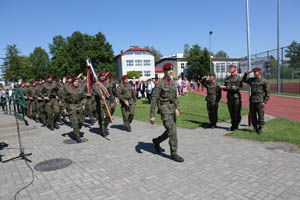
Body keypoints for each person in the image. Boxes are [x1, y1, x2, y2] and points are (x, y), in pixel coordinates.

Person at [150, 63, 184, 162]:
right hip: (164, 109)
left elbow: (175, 97)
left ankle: (157, 141)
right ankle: (174, 153)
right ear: (164, 71)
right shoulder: (160, 84)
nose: (170, 71)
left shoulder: (173, 83)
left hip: (172, 109)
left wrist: (177, 108)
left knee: (170, 131)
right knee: (172, 131)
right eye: (168, 70)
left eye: (171, 69)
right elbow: (154, 99)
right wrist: (152, 115)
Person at [242, 67, 270, 134]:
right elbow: (244, 80)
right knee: (253, 115)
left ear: (259, 72)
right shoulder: (252, 80)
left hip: (260, 101)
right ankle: (255, 128)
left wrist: (264, 102)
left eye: (255, 72)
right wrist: (246, 73)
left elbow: (267, 93)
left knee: (261, 116)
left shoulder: (264, 81)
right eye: (254, 72)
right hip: (252, 100)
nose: (254, 73)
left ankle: (260, 128)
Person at [63, 77, 87, 143]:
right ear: (72, 82)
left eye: (77, 81)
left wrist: (83, 104)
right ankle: (77, 135)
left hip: (79, 106)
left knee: (81, 121)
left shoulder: (81, 89)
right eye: (75, 81)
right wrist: (64, 108)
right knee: (75, 122)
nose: (76, 83)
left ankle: (76, 130)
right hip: (72, 106)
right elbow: (64, 99)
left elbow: (84, 98)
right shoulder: (68, 89)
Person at [220, 65, 242, 131]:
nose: (229, 69)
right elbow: (225, 88)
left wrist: (232, 87)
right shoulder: (227, 78)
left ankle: (236, 125)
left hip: (236, 97)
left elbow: (239, 87)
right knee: (231, 112)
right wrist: (224, 88)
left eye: (231, 68)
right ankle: (233, 125)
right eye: (229, 68)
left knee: (236, 112)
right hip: (229, 97)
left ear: (235, 69)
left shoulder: (238, 78)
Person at [93, 72, 114, 137]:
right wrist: (100, 95)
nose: (103, 77)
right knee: (101, 117)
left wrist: (112, 101)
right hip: (99, 102)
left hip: (107, 102)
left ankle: (105, 127)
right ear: (99, 77)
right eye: (102, 76)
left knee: (108, 116)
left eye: (104, 76)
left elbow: (110, 93)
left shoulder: (108, 84)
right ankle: (102, 130)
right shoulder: (96, 84)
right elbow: (96, 90)